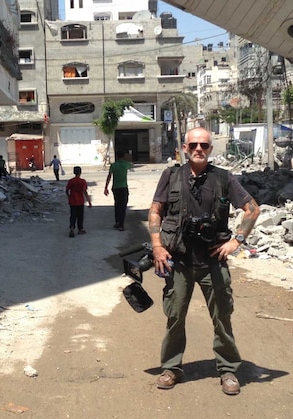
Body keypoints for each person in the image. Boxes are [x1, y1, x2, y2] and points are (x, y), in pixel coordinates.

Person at [148, 127, 260, 395]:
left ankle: (229, 369)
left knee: (222, 316)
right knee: (175, 315)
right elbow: (155, 211)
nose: (199, 149)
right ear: (185, 148)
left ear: (211, 149)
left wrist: (237, 241)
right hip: (179, 259)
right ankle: (171, 367)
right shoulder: (171, 175)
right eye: (194, 145)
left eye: (205, 146)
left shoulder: (223, 178)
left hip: (212, 260)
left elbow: (252, 209)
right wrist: (157, 246)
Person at [104, 149, 132, 230]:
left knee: (117, 204)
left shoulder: (113, 165)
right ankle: (121, 225)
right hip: (123, 187)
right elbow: (131, 165)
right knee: (123, 206)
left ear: (117, 156)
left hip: (115, 187)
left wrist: (106, 187)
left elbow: (109, 176)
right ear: (123, 156)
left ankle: (117, 222)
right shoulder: (126, 164)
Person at [65, 166, 92, 237]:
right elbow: (85, 192)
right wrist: (89, 201)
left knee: (73, 215)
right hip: (80, 201)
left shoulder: (71, 181)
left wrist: (69, 197)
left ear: (74, 172)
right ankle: (80, 229)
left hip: (72, 201)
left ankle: (71, 228)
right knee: (80, 216)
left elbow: (67, 190)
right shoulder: (82, 181)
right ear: (80, 172)